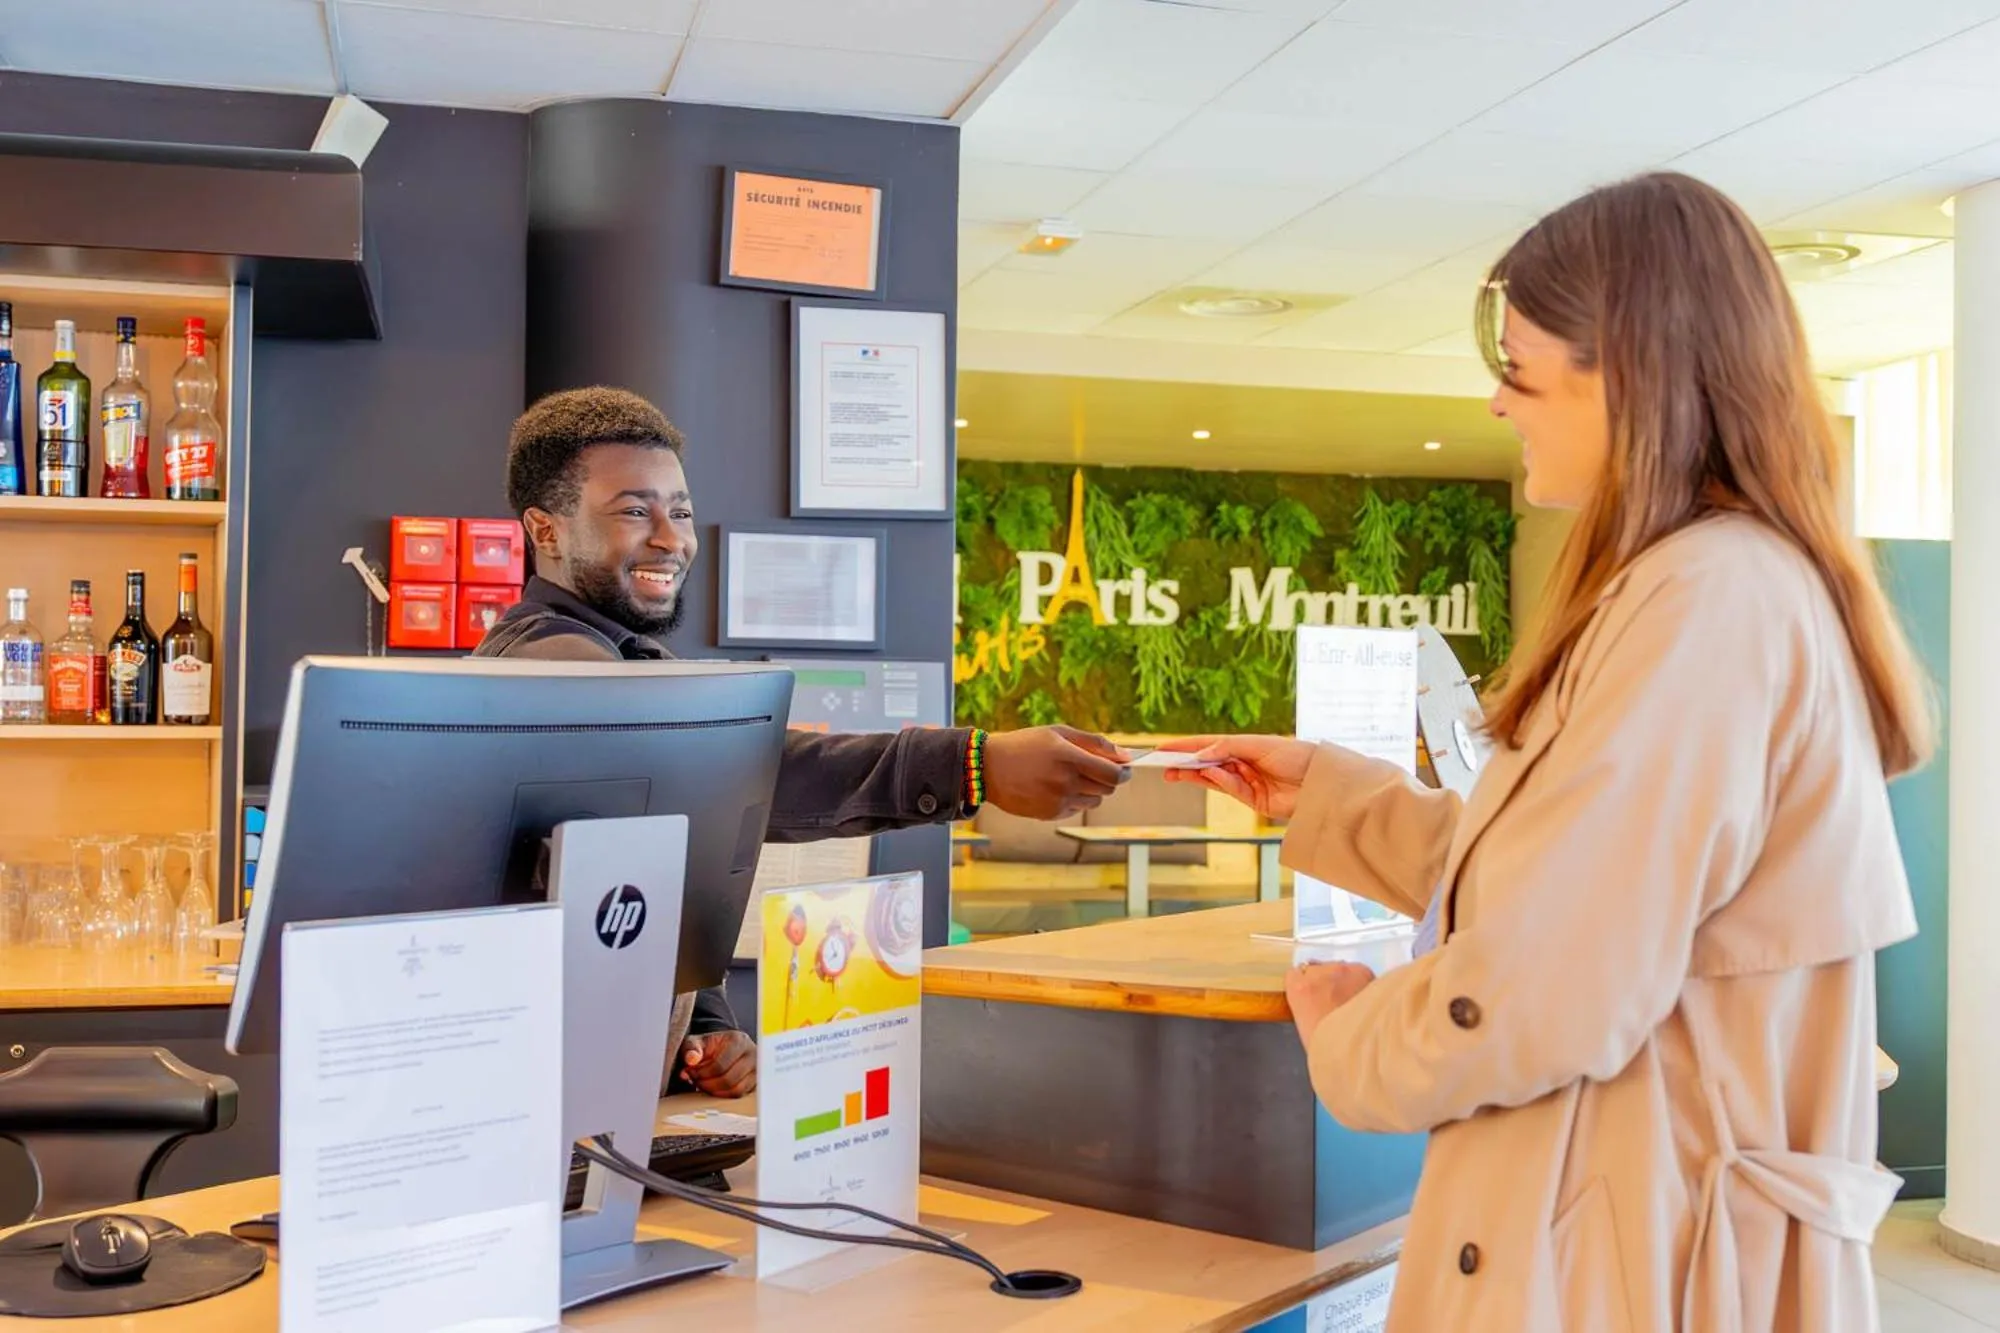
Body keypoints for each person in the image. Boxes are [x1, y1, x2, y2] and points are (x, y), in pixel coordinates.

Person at [1166, 172, 1931, 1333]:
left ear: (1626, 374)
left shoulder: (1706, 600)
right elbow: (1577, 882)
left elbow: (1553, 979)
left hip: (1634, 1254)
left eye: (1518, 372)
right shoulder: (1704, 585)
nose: (1495, 404)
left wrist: (1350, 1038)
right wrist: (1330, 795)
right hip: (1636, 1225)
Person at [477, 386, 1131, 1099]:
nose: (671, 538)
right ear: (545, 530)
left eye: (681, 511)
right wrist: (975, 764)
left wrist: (704, 1030)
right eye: (635, 511)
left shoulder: (627, 660)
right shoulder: (550, 664)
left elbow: (644, 874)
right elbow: (742, 774)